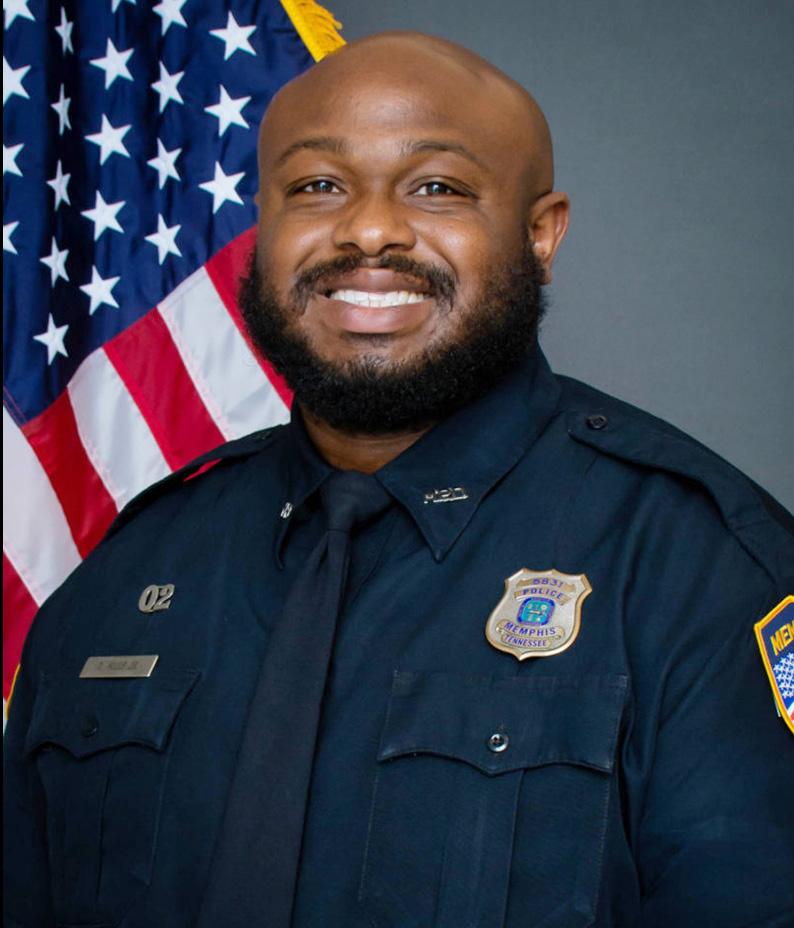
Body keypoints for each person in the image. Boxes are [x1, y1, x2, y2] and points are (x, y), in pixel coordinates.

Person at [4, 31, 793, 928]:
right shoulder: (129, 570)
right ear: (263, 226)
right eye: (317, 186)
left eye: (437, 188)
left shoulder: (701, 570)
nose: (369, 229)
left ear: (540, 234)